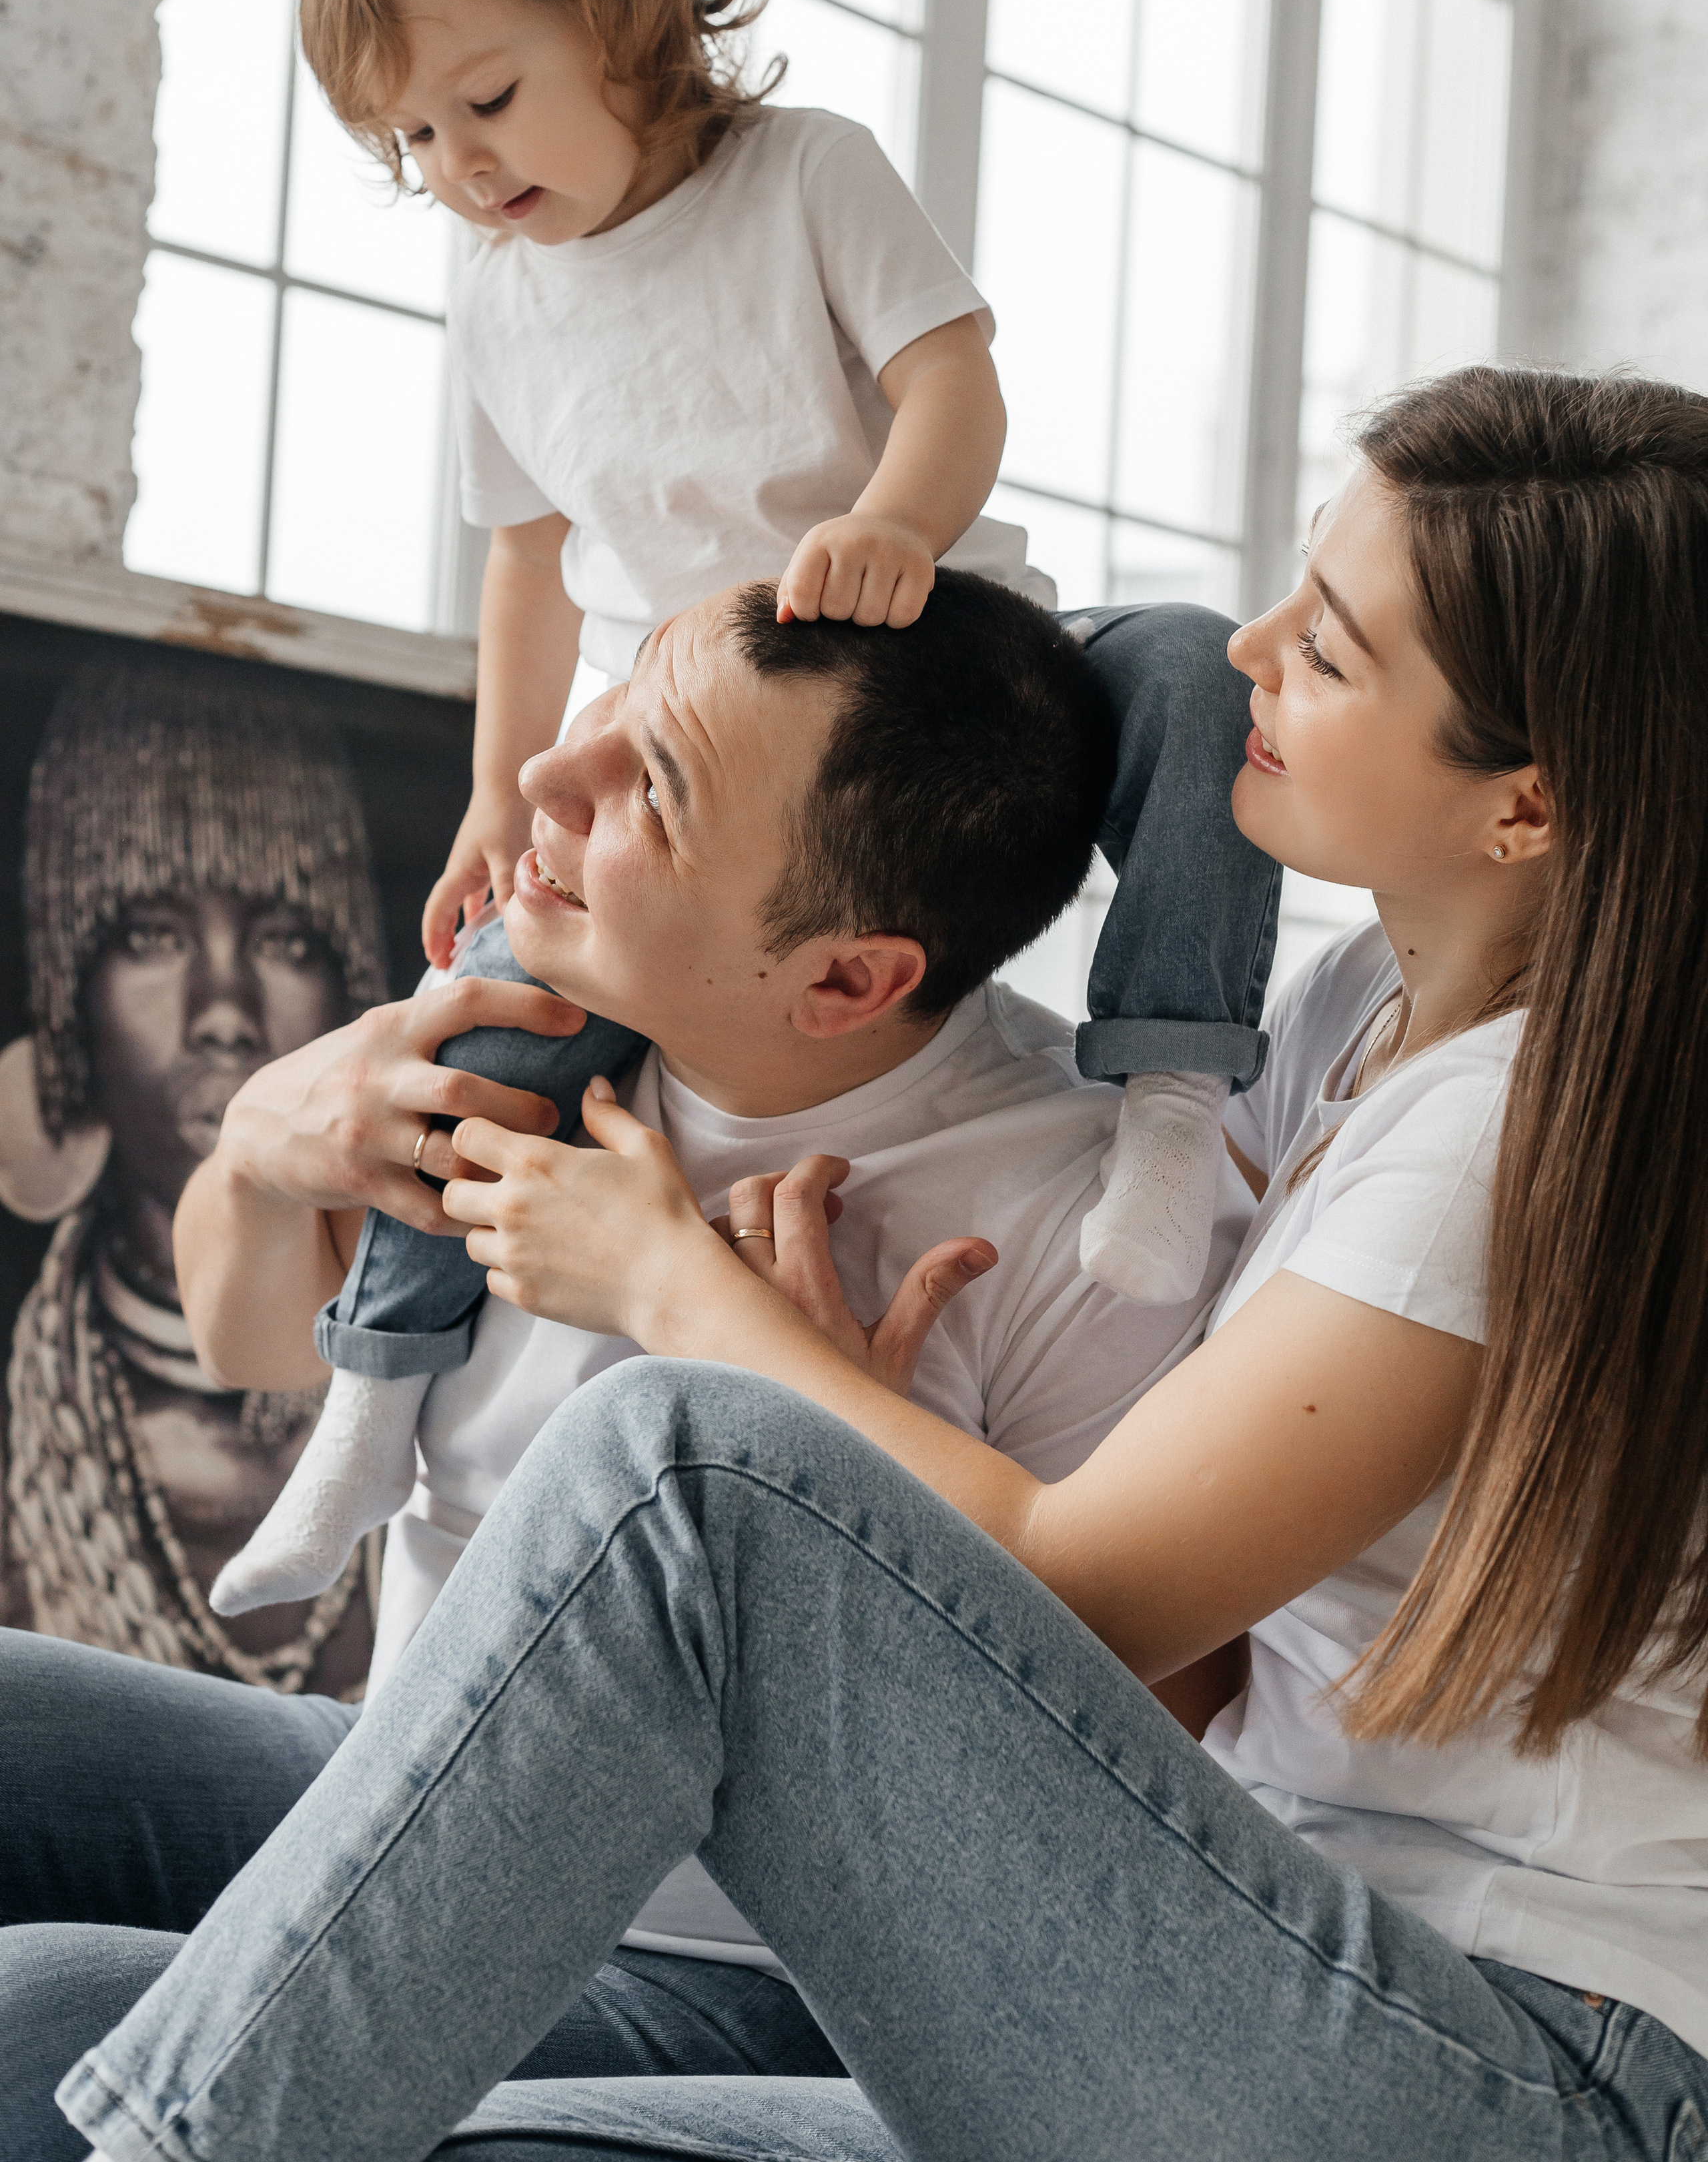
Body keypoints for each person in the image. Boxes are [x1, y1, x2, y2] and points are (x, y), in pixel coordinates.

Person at [13, 364, 1708, 2162]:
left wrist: (687, 1294)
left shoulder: (1506, 1130)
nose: (1249, 647)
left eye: (1332, 646)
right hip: (1254, 1954)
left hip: (1513, 2088)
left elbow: (1105, 1593)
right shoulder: (1344, 1025)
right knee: (46, 2022)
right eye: (1293, 584)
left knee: (681, 1470)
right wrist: (273, 1140)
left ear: (1530, 806)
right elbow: (995, 711)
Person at [294, 0, 1244, 1352]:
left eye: (488, 98)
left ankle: (1166, 1096)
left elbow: (948, 377)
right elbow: (527, 561)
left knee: (1193, 674)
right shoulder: (495, 297)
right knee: (489, 1025)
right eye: (410, 142)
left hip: (946, 661)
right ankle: (376, 1394)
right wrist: (492, 785)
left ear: (619, 0)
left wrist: (896, 524)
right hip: (708, 760)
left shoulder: (805, 171)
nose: (461, 165)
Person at [207, 584, 1278, 1623]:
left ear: (844, 983)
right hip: (373, 1744)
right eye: (623, 689)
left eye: (658, 794)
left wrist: (840, 1465)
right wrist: (255, 1147)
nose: (544, 772)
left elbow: (1141, 1729)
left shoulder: (1098, 1241)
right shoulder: (524, 1010)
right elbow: (251, 1355)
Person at [0, 662, 386, 1700]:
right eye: (156, 936)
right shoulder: (25, 1446)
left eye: (285, 939)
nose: (224, 1010)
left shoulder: (457, 1380)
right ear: (69, 988)